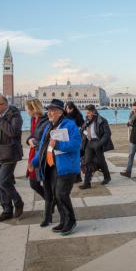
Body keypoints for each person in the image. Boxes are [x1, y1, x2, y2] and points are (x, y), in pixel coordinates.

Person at [32, 99, 81, 235]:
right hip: (51, 165)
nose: (50, 112)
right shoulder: (49, 126)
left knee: (61, 194)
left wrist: (58, 145)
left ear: (60, 112)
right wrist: (35, 162)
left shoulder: (70, 125)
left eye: (53, 110)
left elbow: (76, 145)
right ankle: (63, 220)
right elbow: (42, 147)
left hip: (66, 166)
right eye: (49, 110)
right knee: (55, 195)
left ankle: (71, 221)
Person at [79, 104, 113, 189]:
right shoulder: (86, 120)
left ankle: (107, 177)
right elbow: (82, 130)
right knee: (87, 162)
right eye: (86, 112)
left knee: (101, 161)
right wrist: (85, 132)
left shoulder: (102, 120)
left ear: (93, 112)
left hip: (98, 142)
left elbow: (107, 133)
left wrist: (100, 143)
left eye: (88, 113)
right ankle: (87, 183)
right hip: (88, 143)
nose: (86, 114)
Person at [25, 99, 49, 203]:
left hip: (41, 154)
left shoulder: (46, 120)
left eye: (27, 109)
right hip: (33, 152)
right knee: (33, 183)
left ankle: (50, 202)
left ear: (33, 109)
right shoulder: (33, 119)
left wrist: (35, 142)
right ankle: (50, 200)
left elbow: (47, 140)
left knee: (40, 182)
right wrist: (29, 140)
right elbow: (32, 134)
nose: (26, 111)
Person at [65, 102, 85, 182]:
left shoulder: (69, 117)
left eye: (68, 109)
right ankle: (77, 177)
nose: (67, 110)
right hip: (77, 138)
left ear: (72, 108)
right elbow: (82, 125)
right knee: (76, 158)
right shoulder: (79, 115)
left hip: (72, 138)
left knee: (73, 158)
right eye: (66, 108)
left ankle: (76, 177)